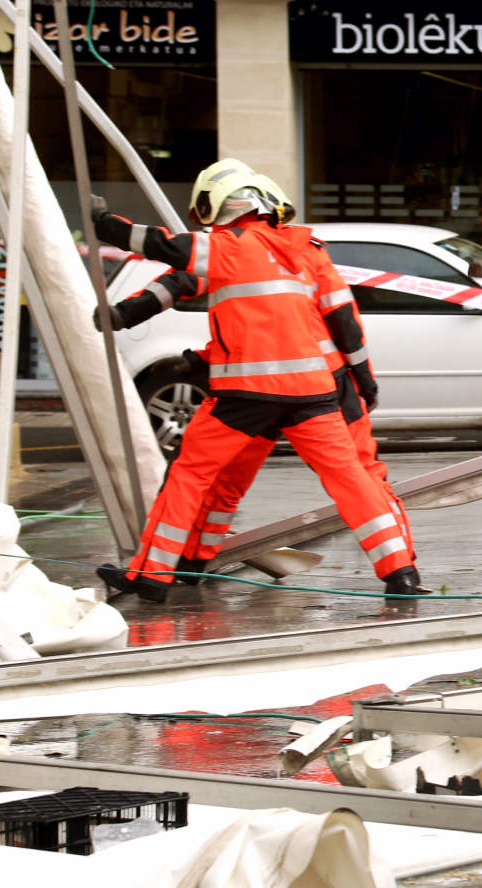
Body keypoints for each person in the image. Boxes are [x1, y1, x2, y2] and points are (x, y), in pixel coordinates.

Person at [92, 159, 425, 602]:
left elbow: (166, 252)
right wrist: (365, 379)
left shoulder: (229, 247)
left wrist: (104, 225)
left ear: (219, 207)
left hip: (245, 397)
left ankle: (154, 574)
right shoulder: (307, 250)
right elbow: (345, 321)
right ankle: (400, 573)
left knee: (193, 475)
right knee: (352, 480)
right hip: (317, 391)